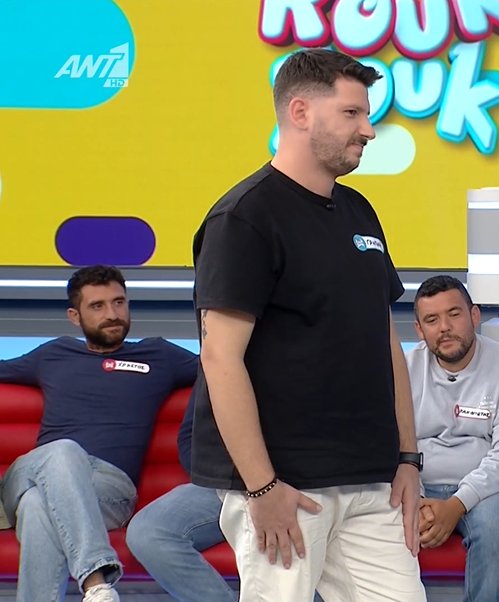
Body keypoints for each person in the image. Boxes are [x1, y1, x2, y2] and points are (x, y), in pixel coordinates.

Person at [190, 48, 425, 602]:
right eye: (351, 114)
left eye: (367, 115)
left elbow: (384, 340)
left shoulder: (360, 211)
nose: (368, 130)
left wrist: (408, 459)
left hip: (372, 481)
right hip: (287, 486)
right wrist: (262, 487)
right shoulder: (244, 218)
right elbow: (220, 358)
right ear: (300, 112)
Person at [0, 265, 198, 602]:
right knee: (64, 450)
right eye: (98, 306)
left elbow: (224, 369)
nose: (112, 314)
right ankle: (95, 579)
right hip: (36, 471)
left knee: (37, 506)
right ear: (74, 316)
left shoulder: (159, 356)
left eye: (119, 302)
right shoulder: (53, 354)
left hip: (110, 490)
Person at [407, 276, 499, 602]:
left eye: (454, 314)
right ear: (420, 330)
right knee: (362, 518)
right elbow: (396, 446)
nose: (445, 328)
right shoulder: (404, 370)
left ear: (474, 315)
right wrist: (418, 501)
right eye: (432, 320)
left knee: (494, 526)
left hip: (496, 491)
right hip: (417, 487)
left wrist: (456, 505)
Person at [125, 396, 237, 602]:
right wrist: (215, 475)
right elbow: (189, 436)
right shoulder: (211, 375)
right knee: (148, 532)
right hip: (222, 483)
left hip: (291, 482)